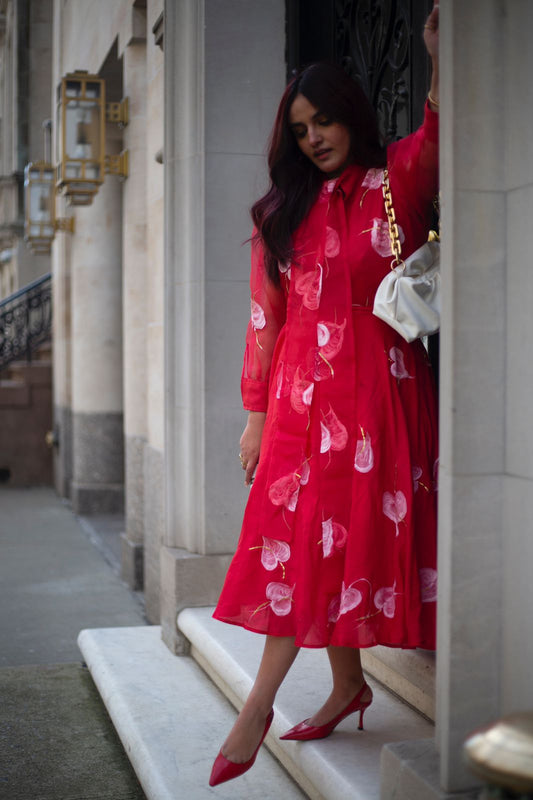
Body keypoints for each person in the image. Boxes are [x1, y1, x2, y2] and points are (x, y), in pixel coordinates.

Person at [209, 3, 440, 788]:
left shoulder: (392, 185)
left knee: (329, 548)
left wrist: (436, 57)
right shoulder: (281, 214)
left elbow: (440, 140)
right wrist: (254, 416)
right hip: (301, 409)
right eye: (301, 127)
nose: (314, 136)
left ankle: (314, 692)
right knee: (301, 550)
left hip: (380, 398)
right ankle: (288, 697)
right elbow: (262, 324)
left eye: (325, 120)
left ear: (351, 115)